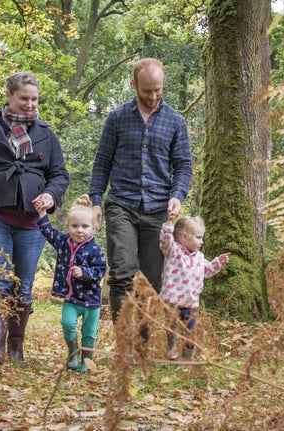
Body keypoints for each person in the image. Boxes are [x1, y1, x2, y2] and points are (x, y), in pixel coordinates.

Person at [0, 71, 69, 365]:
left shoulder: (46, 133)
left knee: (23, 286)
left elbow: (59, 175)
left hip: (32, 220)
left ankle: (16, 348)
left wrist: (51, 196)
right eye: (23, 99)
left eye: (34, 99)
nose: (30, 105)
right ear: (8, 96)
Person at [88, 57, 193, 325]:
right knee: (122, 272)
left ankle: (142, 344)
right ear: (134, 85)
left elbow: (183, 166)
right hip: (122, 204)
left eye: (158, 89)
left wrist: (177, 195)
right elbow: (102, 162)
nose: (153, 96)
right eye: (147, 90)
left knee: (151, 279)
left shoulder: (175, 122)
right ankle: (125, 344)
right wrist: (96, 200)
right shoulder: (117, 118)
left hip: (158, 210)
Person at [36, 194, 106, 373]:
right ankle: (73, 352)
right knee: (67, 324)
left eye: (85, 226)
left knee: (89, 334)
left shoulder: (95, 250)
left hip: (91, 301)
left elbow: (100, 270)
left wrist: (85, 272)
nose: (79, 230)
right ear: (68, 227)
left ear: (94, 227)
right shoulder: (63, 243)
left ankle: (87, 360)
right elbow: (48, 232)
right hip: (71, 298)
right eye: (74, 226)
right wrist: (42, 212)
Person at [159, 215, 229, 360]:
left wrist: (219, 262)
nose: (201, 241)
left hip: (190, 303)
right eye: (198, 237)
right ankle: (171, 345)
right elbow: (165, 241)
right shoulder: (173, 251)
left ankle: (187, 359)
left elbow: (208, 271)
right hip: (172, 300)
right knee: (172, 326)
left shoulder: (199, 257)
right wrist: (169, 223)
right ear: (184, 237)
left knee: (190, 331)